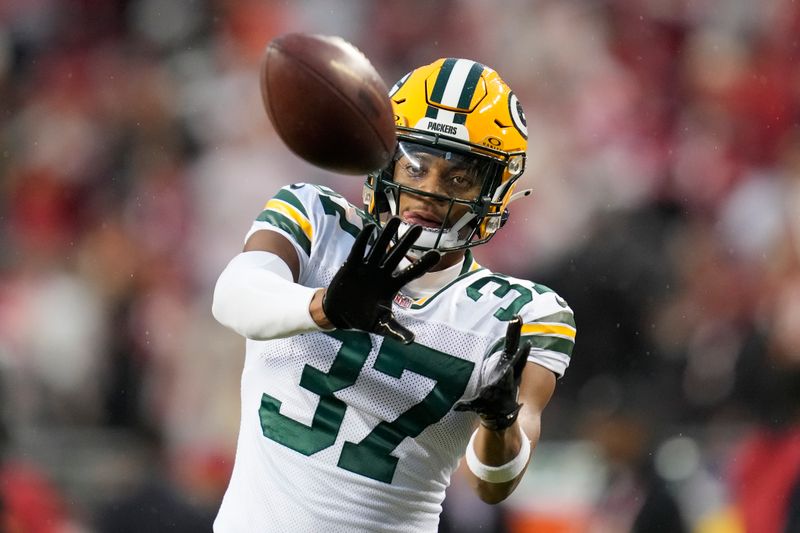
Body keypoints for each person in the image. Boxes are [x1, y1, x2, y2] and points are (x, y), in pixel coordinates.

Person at [211, 57, 576, 532]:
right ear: (385, 158)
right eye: (415, 165)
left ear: (496, 189)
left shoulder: (519, 312)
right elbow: (234, 296)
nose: (429, 190)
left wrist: (500, 422)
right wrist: (325, 306)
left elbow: (494, 485)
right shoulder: (317, 221)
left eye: (459, 177)